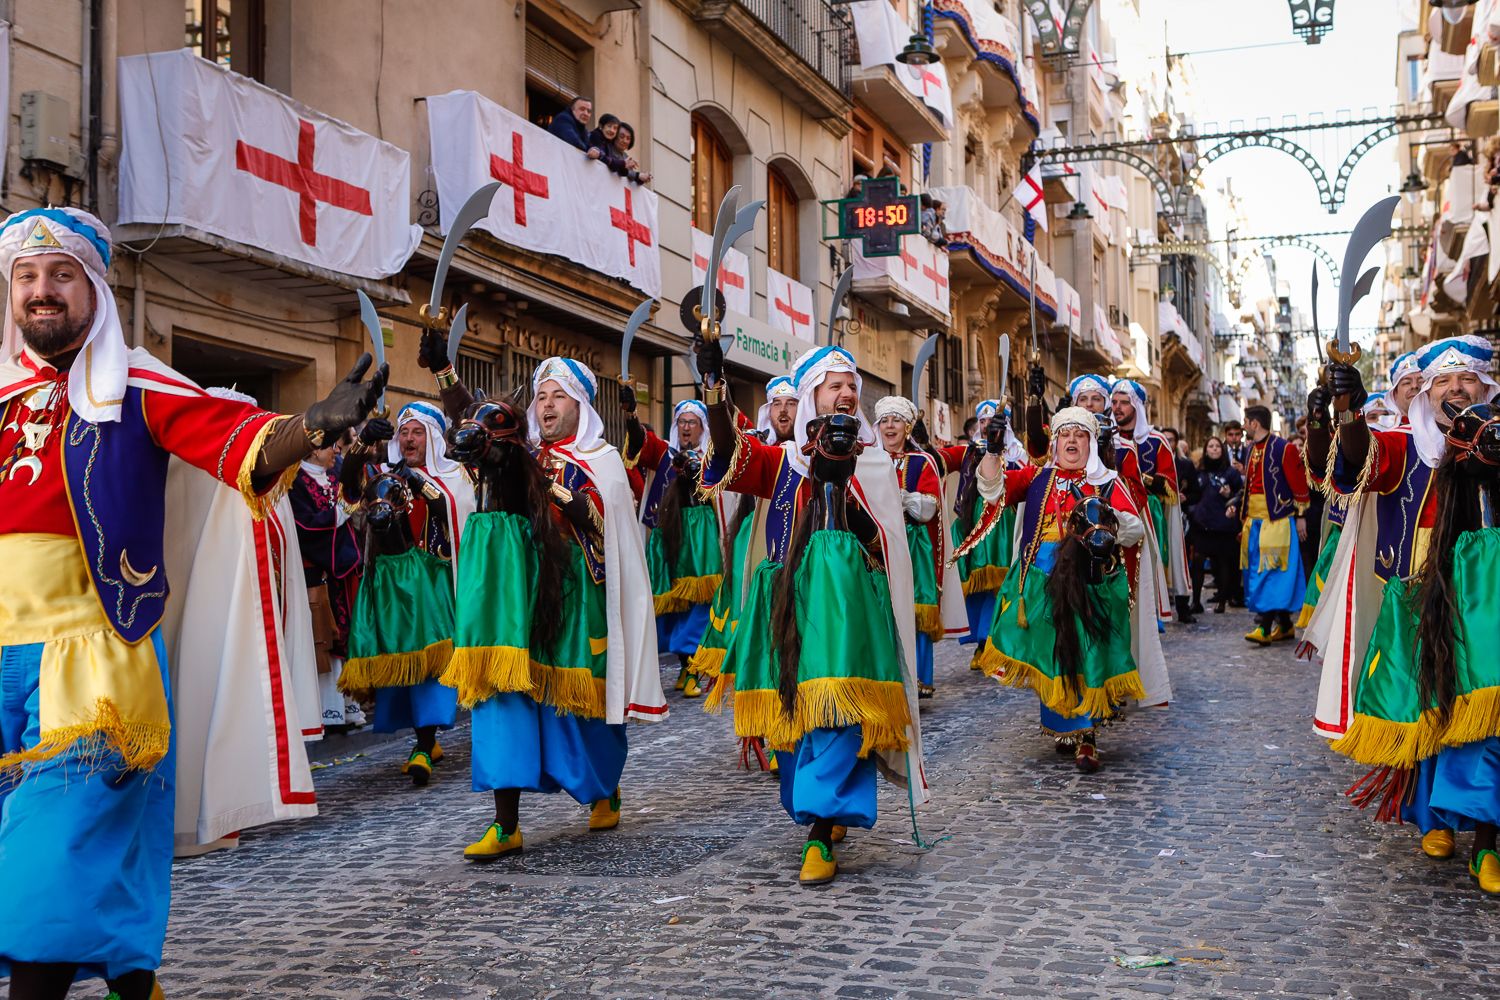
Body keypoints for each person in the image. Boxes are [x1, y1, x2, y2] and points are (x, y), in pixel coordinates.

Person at [0, 207, 386, 999]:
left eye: (61, 275)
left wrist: (312, 426)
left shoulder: (134, 385)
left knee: (52, 861)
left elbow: (238, 441)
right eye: (27, 278)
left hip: (94, 660)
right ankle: (132, 980)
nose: (43, 292)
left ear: (95, 289)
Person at [699, 342, 925, 886]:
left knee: (837, 713)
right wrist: (714, 390)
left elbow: (883, 544)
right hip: (785, 603)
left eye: (853, 386)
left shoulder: (871, 464)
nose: (847, 394)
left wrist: (842, 501)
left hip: (845, 611)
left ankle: (820, 831)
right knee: (793, 723)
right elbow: (729, 459)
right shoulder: (778, 461)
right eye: (834, 386)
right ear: (809, 400)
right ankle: (815, 807)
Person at [427, 355, 665, 860]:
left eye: (558, 395)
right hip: (516, 589)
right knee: (501, 693)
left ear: (579, 403)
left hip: (577, 593)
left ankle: (603, 788)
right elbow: (478, 423)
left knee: (576, 706)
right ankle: (505, 822)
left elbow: (605, 527)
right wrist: (446, 375)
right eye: (541, 396)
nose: (548, 405)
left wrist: (568, 499)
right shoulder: (517, 452)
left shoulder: (602, 461)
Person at [1305, 336, 1498, 869]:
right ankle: (1434, 821)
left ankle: (1486, 836)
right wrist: (1343, 414)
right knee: (1421, 708)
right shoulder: (1400, 443)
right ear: (1426, 392)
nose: (1456, 389)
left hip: (1485, 601)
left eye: (1467, 380)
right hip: (1412, 597)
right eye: (1444, 381)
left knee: (1485, 713)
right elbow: (1350, 465)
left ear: (1485, 386)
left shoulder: (1495, 440)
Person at [968, 407, 1150, 772]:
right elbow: (994, 490)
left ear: (1090, 443)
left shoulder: (1107, 482)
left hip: (1089, 580)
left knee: (1087, 652)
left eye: (1079, 435)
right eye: (1065, 435)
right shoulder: (1037, 477)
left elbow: (1133, 528)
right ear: (1055, 443)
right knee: (1053, 652)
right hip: (1041, 577)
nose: (1071, 441)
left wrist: (1105, 531)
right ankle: (1065, 724)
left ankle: (1088, 735)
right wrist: (991, 449)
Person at [338, 403, 475, 785]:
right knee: (404, 665)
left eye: (417, 432)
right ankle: (424, 740)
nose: (409, 439)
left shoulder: (454, 476)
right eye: (404, 432)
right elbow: (348, 486)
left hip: (434, 584)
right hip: (392, 584)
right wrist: (362, 443)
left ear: (432, 438)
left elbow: (450, 509)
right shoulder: (384, 474)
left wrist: (417, 482)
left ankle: (423, 744)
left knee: (429, 665)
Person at [625, 398, 716, 696]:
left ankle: (692, 667)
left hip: (701, 536)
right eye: (682, 422)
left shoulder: (711, 458)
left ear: (703, 428)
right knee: (671, 606)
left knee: (700, 603)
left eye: (693, 422)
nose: (686, 427)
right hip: (667, 536)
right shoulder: (664, 453)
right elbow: (640, 443)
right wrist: (631, 415)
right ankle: (683, 663)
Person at [920, 398, 1015, 666]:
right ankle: (981, 644)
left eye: (992, 421)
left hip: (999, 528)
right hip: (967, 526)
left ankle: (995, 643)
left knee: (998, 589)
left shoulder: (1014, 454)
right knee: (971, 589)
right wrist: (922, 445)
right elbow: (937, 461)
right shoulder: (967, 452)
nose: (986, 426)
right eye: (982, 421)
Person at [291, 434, 365, 730]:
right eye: (330, 446)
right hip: (317, 574)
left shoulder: (335, 474)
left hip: (342, 571)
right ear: (312, 450)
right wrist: (337, 515)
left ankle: (348, 704)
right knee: (323, 639)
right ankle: (326, 710)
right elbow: (303, 523)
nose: (336, 450)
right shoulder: (294, 481)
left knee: (345, 638)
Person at [874, 396, 947, 698]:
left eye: (896, 420)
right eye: (884, 421)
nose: (890, 426)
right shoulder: (867, 460)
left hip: (912, 544)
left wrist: (899, 496)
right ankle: (886, 675)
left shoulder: (921, 463)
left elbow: (929, 508)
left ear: (907, 428)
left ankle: (917, 678)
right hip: (876, 544)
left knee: (914, 610)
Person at [1110, 381, 1189, 624]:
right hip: (1113, 509)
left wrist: (1141, 478)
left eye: (1124, 402)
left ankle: (1150, 613)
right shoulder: (1106, 437)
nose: (1118, 408)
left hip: (1149, 512)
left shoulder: (1155, 440)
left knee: (1149, 562)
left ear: (1136, 406)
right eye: (1114, 402)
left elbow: (1170, 485)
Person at [1187, 436, 1243, 614]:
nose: (1214, 449)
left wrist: (1230, 496)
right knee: (1198, 562)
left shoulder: (1231, 472)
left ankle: (1222, 601)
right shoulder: (1199, 472)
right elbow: (1194, 493)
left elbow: (1241, 493)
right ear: (1206, 450)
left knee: (1223, 562)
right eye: (1210, 446)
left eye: (1217, 446)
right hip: (1202, 523)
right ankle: (1195, 601)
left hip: (1223, 524)